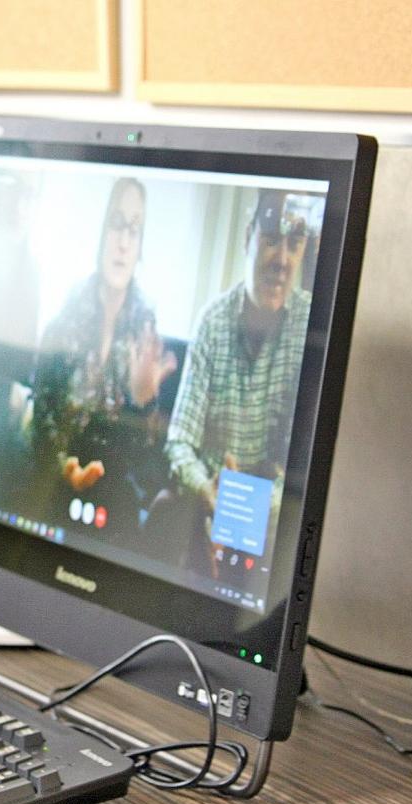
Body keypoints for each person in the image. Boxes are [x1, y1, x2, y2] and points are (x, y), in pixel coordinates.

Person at [158, 188, 315, 575]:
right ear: (248, 239)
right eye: (271, 240)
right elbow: (179, 441)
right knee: (166, 513)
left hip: (270, 523)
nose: (282, 260)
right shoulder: (212, 321)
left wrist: (241, 510)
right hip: (203, 505)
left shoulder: (312, 330)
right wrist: (207, 491)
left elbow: (302, 471)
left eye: (294, 244)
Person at [29, 176, 178, 535]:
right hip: (56, 484)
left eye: (135, 229)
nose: (124, 242)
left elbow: (145, 459)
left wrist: (142, 404)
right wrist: (63, 465)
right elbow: (42, 416)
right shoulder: (66, 314)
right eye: (116, 224)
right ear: (100, 232)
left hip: (116, 496)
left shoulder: (146, 324)